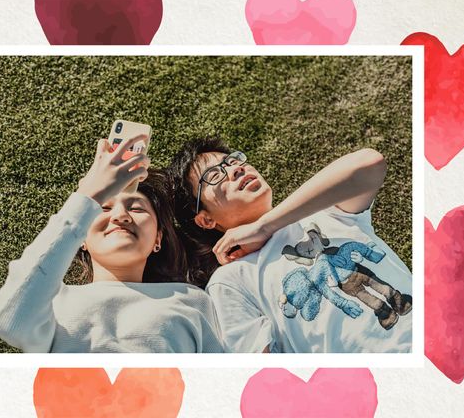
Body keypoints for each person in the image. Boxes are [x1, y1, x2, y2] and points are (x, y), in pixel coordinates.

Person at [168, 137, 412, 353]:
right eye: (214, 175)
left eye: (232, 161)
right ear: (206, 219)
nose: (236, 170)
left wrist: (265, 226)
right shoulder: (230, 280)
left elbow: (370, 163)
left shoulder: (323, 212)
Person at [0, 134, 224, 353]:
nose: (121, 216)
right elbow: (10, 319)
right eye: (104, 207)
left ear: (157, 240)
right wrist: (89, 195)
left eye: (137, 208)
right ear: (81, 238)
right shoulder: (52, 301)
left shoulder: (192, 300)